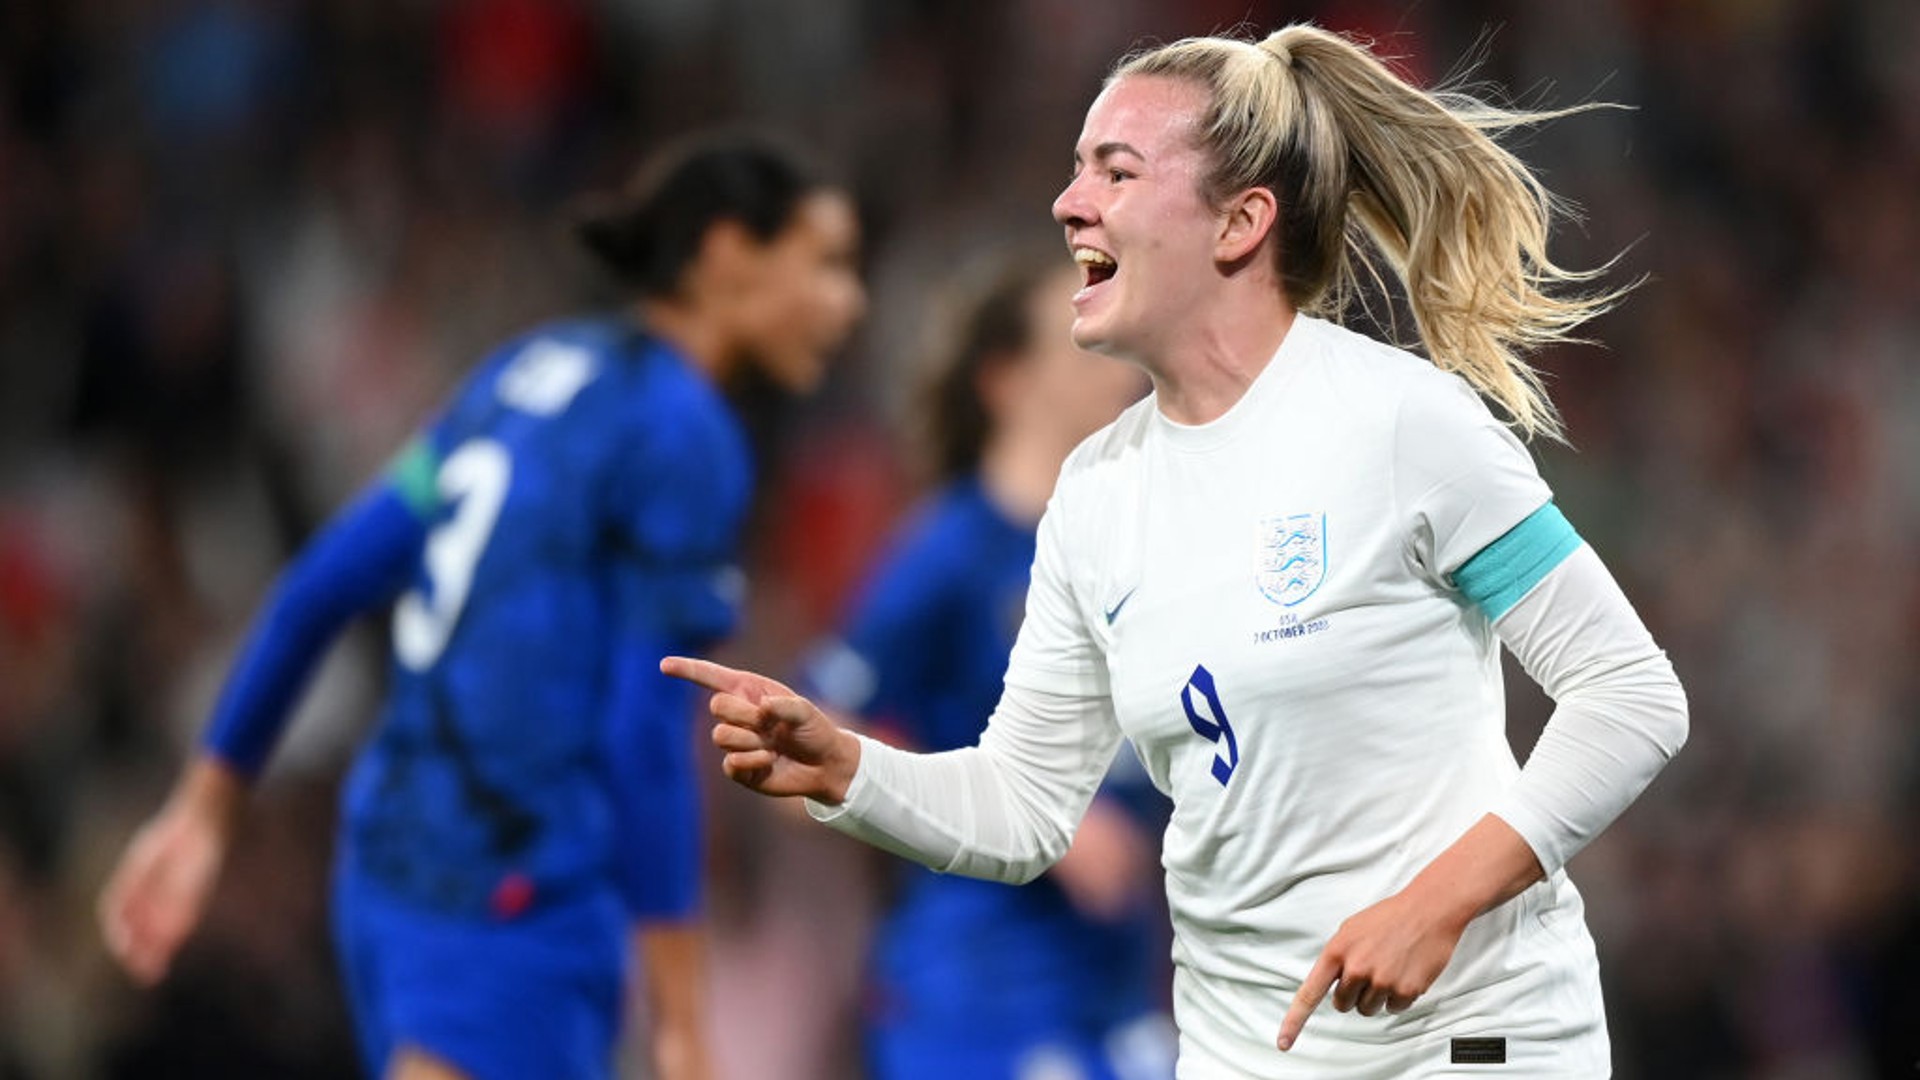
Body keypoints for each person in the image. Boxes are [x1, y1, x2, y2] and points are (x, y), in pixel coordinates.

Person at [663, 24, 1687, 1080]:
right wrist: (850, 770)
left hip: (1472, 1041)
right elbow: (1024, 807)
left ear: (1240, 224)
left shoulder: (1402, 426)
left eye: (1116, 171)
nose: (1070, 205)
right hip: (1246, 1055)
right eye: (1073, 172)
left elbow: (1630, 694)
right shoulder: (1096, 497)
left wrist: (1435, 904)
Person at [97, 133, 867, 1080]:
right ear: (725, 260)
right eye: (823, 263)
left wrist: (204, 812)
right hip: (513, 893)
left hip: (387, 867)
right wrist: (679, 1016)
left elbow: (319, 589)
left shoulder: (523, 374)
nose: (848, 301)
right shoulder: (689, 434)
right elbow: (643, 731)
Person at [796, 257, 1171, 1080]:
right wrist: (1034, 821)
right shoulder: (949, 552)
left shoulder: (1136, 546)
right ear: (1006, 381)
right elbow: (803, 745)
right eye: (1080, 346)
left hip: (1116, 982)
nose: (1116, 366)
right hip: (978, 990)